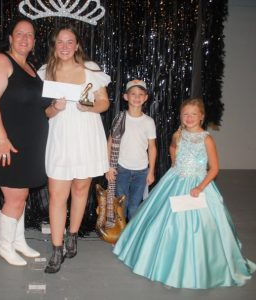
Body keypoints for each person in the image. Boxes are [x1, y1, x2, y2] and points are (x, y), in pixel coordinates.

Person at [113, 98, 256, 289]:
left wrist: (200, 187)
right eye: (185, 114)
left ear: (202, 117)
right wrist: (175, 162)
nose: (189, 118)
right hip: (175, 179)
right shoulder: (178, 135)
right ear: (181, 116)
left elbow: (214, 169)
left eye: (194, 114)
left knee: (199, 225)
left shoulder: (207, 139)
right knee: (163, 219)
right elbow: (173, 147)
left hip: (198, 184)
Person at [38, 24, 111, 273]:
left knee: (81, 189)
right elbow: (44, 112)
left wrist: (88, 108)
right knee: (58, 195)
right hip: (60, 136)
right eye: (61, 42)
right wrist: (55, 108)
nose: (65, 46)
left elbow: (104, 102)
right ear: (54, 45)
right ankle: (57, 248)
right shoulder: (45, 72)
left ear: (77, 45)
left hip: (87, 134)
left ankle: (73, 234)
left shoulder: (91, 70)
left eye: (70, 42)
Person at [0, 17, 51, 266]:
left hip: (29, 145)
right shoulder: (1, 61)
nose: (24, 38)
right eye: (19, 34)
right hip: (8, 143)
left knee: (21, 196)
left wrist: (57, 106)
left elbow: (37, 106)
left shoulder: (31, 67)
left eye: (29, 35)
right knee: (15, 198)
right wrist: (1, 139)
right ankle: (5, 246)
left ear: (34, 41)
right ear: (10, 38)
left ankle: (18, 241)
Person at [105, 79, 157, 222]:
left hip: (141, 171)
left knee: (134, 206)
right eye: (133, 94)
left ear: (146, 98)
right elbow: (109, 143)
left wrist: (151, 171)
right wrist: (108, 167)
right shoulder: (119, 118)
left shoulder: (149, 122)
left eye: (141, 94)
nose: (137, 97)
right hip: (121, 169)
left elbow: (152, 147)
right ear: (126, 97)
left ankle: (131, 237)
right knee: (122, 204)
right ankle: (120, 236)